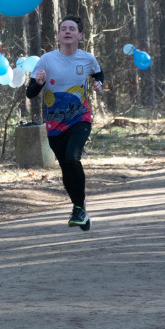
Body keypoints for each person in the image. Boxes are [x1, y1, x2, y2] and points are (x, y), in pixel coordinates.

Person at [26, 15, 103, 231]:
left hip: (80, 117)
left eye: (72, 28)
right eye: (63, 29)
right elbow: (30, 93)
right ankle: (81, 208)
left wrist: (98, 84)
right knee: (65, 167)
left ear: (80, 35)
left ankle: (78, 208)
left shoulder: (87, 59)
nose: (67, 31)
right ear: (58, 36)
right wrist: (39, 84)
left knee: (72, 158)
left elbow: (98, 74)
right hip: (54, 123)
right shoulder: (46, 60)